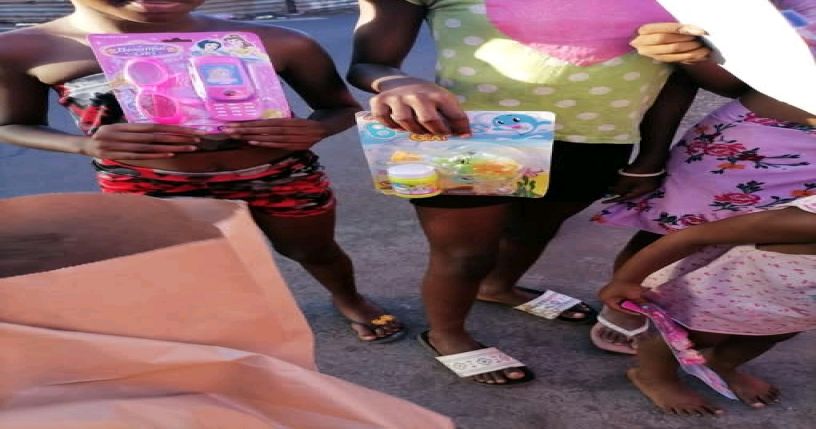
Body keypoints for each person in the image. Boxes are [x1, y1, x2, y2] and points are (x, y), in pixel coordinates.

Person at [0, 0, 405, 343]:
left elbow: (340, 108)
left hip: (279, 173)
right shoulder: (25, 48)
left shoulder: (280, 41)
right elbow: (12, 124)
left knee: (313, 250)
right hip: (146, 184)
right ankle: (214, 326)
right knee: (182, 263)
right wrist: (83, 144)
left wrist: (315, 129)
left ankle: (348, 297)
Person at [347, 0, 698, 384]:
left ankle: (496, 287)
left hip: (599, 141)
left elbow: (681, 75)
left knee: (534, 231)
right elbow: (369, 62)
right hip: (468, 136)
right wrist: (396, 82)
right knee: (465, 255)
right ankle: (446, 334)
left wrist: (651, 155)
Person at [591, 0, 816, 354]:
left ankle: (699, 322)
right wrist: (690, 51)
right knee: (671, 232)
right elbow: (731, 78)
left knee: (760, 249)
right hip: (754, 147)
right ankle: (628, 304)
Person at [598, 195, 816, 415]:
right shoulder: (808, 222)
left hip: (795, 306)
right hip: (731, 290)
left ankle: (721, 364)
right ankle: (654, 377)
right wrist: (626, 281)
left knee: (773, 335)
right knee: (688, 335)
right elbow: (692, 237)